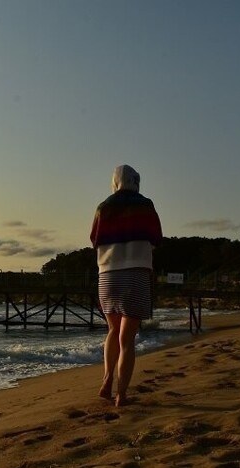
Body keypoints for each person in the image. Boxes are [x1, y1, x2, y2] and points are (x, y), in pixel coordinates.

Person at [90, 164, 163, 407]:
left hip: (107, 275)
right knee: (127, 339)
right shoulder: (145, 205)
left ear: (115, 181)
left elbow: (94, 239)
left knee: (112, 330)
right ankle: (121, 394)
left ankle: (106, 381)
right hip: (135, 272)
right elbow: (156, 237)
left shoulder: (103, 208)